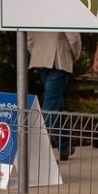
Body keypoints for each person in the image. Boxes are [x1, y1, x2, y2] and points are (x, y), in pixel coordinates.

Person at [27, 31, 82, 160]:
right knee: (50, 109)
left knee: (56, 105)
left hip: (40, 59)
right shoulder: (63, 10)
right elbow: (73, 37)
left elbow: (29, 39)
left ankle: (64, 147)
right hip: (59, 60)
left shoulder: (35, 11)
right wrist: (74, 55)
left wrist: (37, 52)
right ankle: (41, 153)